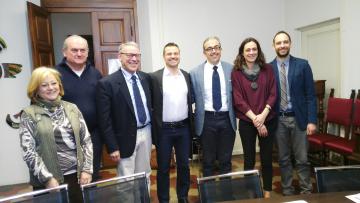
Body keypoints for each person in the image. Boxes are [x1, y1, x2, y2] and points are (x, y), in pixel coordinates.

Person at [19, 67, 93, 203]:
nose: (51, 88)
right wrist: (47, 178)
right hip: (48, 181)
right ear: (35, 89)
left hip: (77, 178)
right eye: (44, 85)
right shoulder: (29, 114)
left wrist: (87, 170)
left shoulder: (72, 108)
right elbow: (28, 152)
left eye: (54, 83)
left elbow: (86, 140)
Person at [96, 42, 152, 188]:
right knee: (127, 180)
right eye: (130, 55)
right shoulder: (107, 83)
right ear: (120, 57)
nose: (134, 59)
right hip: (123, 139)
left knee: (145, 175)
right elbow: (104, 120)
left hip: (146, 132)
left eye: (137, 55)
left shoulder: (146, 78)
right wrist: (112, 146)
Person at [270, 31, 317, 195]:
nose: (282, 45)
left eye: (285, 42)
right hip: (278, 121)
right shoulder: (268, 69)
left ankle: (306, 191)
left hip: (299, 119)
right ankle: (287, 191)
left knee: (302, 159)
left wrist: (312, 120)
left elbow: (311, 96)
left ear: (290, 43)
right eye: (279, 43)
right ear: (273, 46)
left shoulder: (303, 65)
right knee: (283, 159)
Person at [232, 37, 277, 198]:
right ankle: (250, 192)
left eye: (254, 49)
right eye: (248, 50)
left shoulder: (268, 69)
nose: (251, 52)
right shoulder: (236, 73)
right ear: (242, 53)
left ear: (258, 51)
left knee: (266, 159)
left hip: (268, 119)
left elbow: (273, 94)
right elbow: (238, 100)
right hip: (247, 122)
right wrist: (256, 121)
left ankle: (267, 191)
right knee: (249, 159)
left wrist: (263, 116)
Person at [56, 35, 103, 181]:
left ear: (88, 52)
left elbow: (103, 104)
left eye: (83, 50)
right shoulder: (54, 74)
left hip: (93, 134)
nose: (79, 54)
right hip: (66, 137)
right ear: (64, 52)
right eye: (74, 50)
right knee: (70, 178)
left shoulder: (95, 74)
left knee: (92, 175)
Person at [150, 42, 193, 203]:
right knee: (163, 169)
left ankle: (183, 197)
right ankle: (164, 200)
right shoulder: (155, 77)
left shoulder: (186, 76)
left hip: (183, 129)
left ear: (179, 55)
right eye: (169, 53)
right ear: (164, 56)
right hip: (164, 131)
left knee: (184, 166)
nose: (173, 56)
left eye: (176, 53)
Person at [190, 36, 237, 177]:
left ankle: (226, 196)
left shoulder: (232, 69)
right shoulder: (194, 73)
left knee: (226, 161)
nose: (213, 51)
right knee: (208, 162)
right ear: (204, 52)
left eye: (216, 47)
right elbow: (190, 98)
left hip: (227, 119)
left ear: (221, 50)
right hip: (206, 120)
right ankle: (208, 195)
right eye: (209, 48)